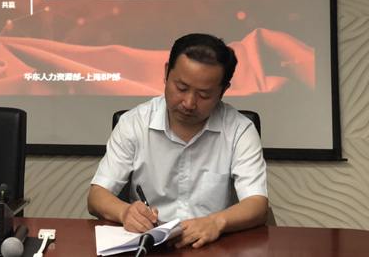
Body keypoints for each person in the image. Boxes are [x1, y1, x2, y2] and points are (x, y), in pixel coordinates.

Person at [87, 33, 268, 248]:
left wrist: (216, 221)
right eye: (181, 88)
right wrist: (125, 212)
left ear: (223, 91)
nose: (189, 103)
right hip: (150, 245)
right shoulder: (133, 124)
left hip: (213, 245)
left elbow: (257, 204)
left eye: (204, 95)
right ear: (166, 73)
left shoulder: (239, 130)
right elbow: (97, 196)